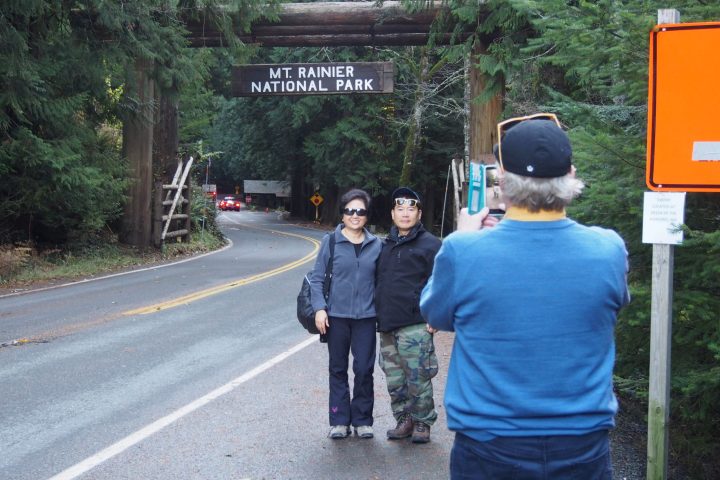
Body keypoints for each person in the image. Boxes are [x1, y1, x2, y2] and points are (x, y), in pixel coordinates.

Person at [420, 114, 631, 479]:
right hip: (582, 443)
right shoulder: (608, 249)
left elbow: (436, 316)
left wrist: (464, 234)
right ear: (571, 174)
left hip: (489, 444)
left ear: (501, 181)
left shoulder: (463, 251)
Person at [310, 188, 382, 439]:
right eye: (350, 210)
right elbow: (317, 279)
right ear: (342, 214)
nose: (355, 215)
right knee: (338, 368)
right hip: (336, 317)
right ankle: (339, 419)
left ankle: (362, 419)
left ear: (367, 216)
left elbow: (383, 282)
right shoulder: (330, 242)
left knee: (364, 368)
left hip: (366, 318)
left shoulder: (377, 245)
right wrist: (320, 308)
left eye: (360, 211)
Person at [375, 187, 442, 443]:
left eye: (410, 209)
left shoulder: (431, 245)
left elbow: (443, 282)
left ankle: (423, 422)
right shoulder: (384, 245)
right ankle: (404, 420)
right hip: (387, 324)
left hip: (416, 324)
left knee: (418, 378)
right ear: (392, 213)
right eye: (400, 209)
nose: (405, 214)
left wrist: (436, 314)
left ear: (419, 213)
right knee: (395, 380)